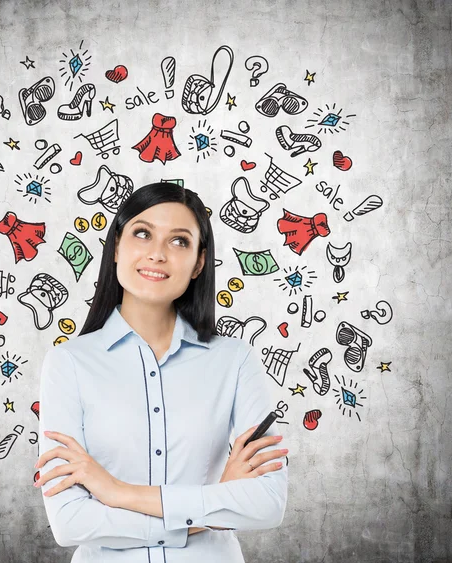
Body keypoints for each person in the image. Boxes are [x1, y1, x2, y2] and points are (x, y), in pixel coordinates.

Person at [34, 182, 289, 562]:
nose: (157, 254)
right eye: (142, 233)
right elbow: (71, 522)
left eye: (179, 241)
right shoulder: (68, 363)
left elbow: (267, 504)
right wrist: (212, 506)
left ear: (199, 262)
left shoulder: (235, 360)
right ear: (117, 246)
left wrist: (117, 492)